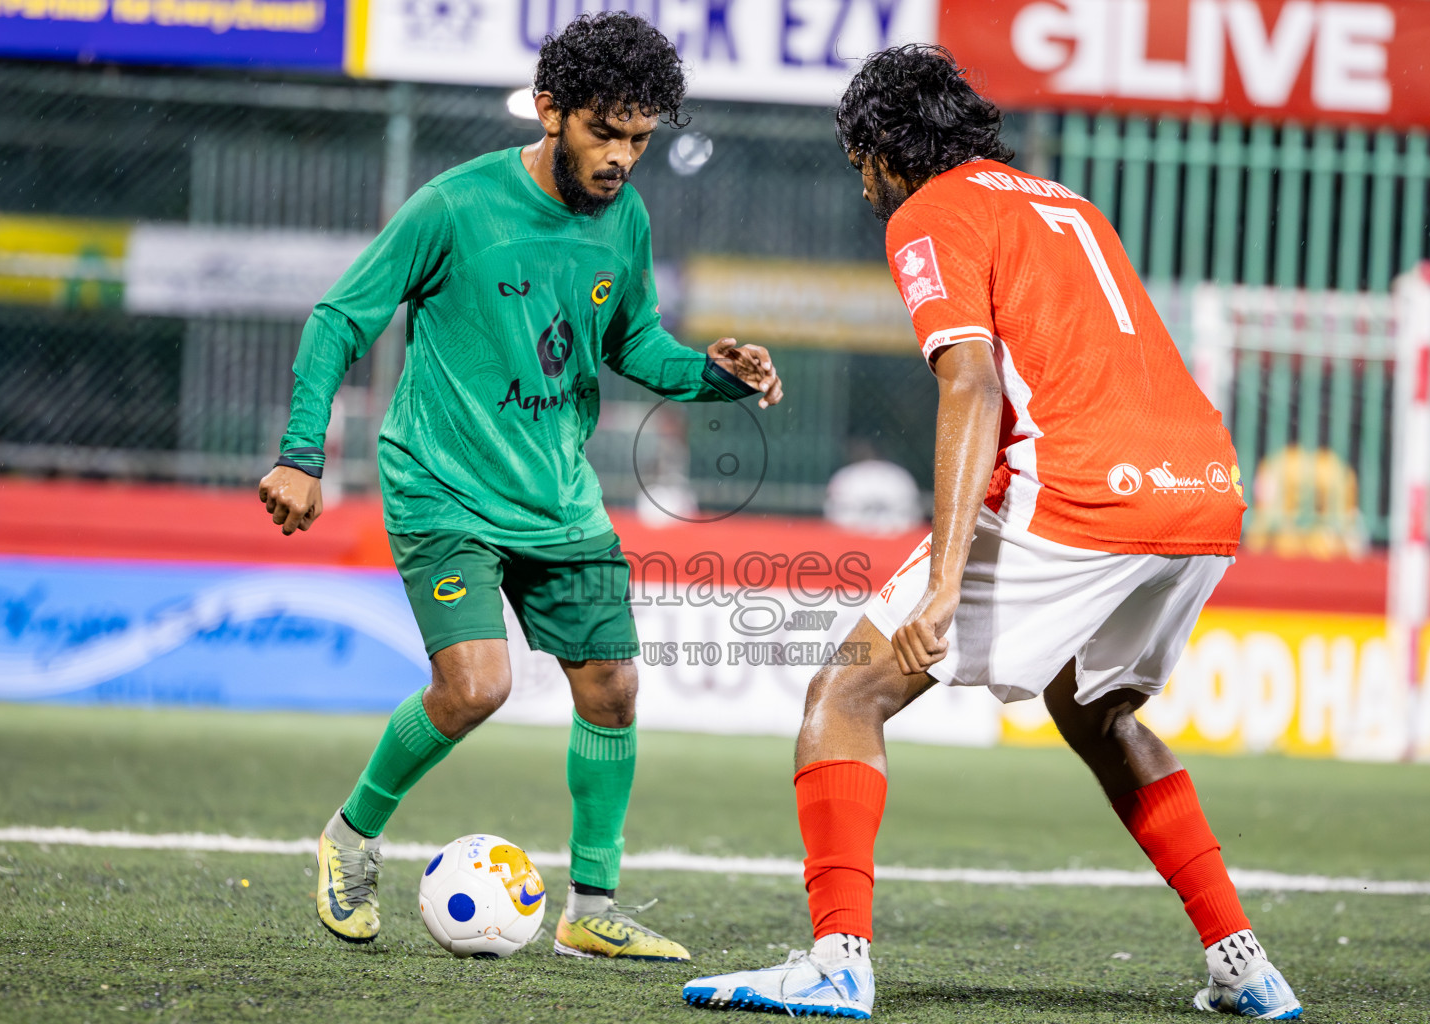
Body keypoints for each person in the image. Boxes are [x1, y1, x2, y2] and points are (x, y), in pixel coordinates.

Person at [683, 45, 1300, 1019]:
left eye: (861, 165)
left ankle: (838, 960)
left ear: (886, 148)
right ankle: (1246, 963)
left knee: (844, 691)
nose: (865, 187)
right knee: (1099, 713)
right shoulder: (1064, 203)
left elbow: (969, 382)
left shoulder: (934, 211)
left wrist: (941, 586)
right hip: (1205, 489)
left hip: (1089, 490)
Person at [258, 12, 783, 962]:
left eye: (639, 138)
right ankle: (349, 838)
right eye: (603, 132)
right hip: (442, 485)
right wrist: (302, 455)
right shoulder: (455, 206)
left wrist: (717, 375)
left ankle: (591, 910)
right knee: (476, 687)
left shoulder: (624, 218)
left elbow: (633, 346)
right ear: (551, 110)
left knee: (614, 690)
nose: (622, 157)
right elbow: (339, 319)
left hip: (556, 496)